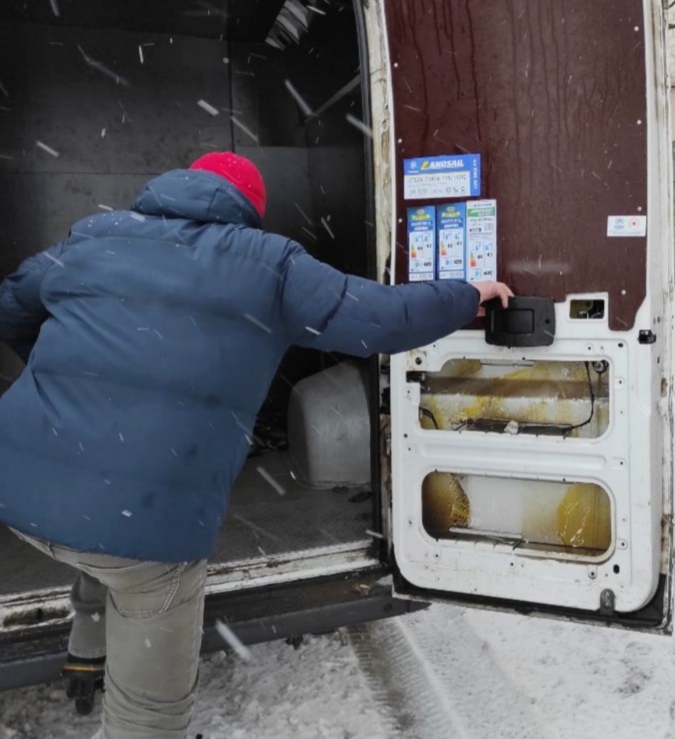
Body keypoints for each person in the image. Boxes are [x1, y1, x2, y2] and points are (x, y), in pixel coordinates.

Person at [0, 151, 513, 739]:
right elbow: (381, 318)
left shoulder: (94, 236)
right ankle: (97, 656)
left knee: (95, 524)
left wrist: (62, 380)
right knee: (146, 705)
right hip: (145, 530)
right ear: (248, 208)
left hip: (17, 489)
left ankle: (87, 649)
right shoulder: (270, 264)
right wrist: (464, 294)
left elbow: (10, 307)